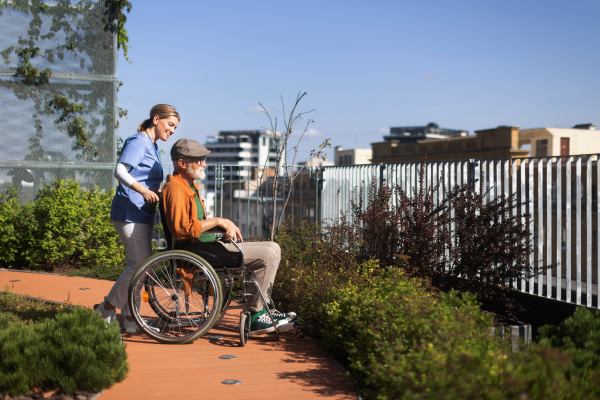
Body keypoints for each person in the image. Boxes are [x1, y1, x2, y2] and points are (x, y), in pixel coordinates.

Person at [162, 138, 296, 335]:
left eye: (203, 160)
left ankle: (262, 309)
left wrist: (221, 226)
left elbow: (193, 226)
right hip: (199, 252)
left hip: (206, 247)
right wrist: (218, 222)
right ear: (182, 163)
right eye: (198, 160)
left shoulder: (189, 186)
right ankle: (256, 314)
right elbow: (181, 230)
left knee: (273, 247)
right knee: (267, 254)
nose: (204, 164)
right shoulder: (175, 189)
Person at [94, 104, 180, 333]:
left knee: (141, 266)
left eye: (175, 127)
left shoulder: (151, 145)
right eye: (170, 124)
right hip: (129, 212)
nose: (172, 130)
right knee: (140, 265)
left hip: (142, 214)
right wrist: (143, 191)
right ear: (156, 119)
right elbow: (120, 170)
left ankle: (131, 317)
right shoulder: (139, 141)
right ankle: (105, 308)